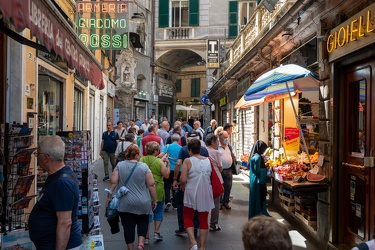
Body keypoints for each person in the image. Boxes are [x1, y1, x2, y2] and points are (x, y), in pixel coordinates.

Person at [29, 135, 82, 249]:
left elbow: (65, 223)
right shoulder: (58, 176)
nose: (37, 158)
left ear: (46, 158)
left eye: (38, 154)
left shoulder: (62, 183)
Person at [106, 145, 157, 250]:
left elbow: (113, 182)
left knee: (128, 226)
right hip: (143, 202)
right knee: (143, 222)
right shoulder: (144, 166)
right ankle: (141, 244)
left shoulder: (120, 165)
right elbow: (151, 185)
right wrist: (155, 200)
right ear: (137, 155)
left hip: (125, 203)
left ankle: (130, 248)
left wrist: (109, 197)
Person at [180, 138, 214, 250]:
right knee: (203, 219)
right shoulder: (209, 160)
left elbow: (183, 178)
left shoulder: (187, 161)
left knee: (187, 216)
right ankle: (202, 246)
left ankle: (193, 242)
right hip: (205, 192)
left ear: (189, 150)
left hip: (191, 191)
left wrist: (181, 185)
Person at [173, 130, 209, 236]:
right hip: (202, 185)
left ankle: (182, 226)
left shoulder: (183, 150)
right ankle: (196, 227)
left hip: (188, 184)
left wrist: (175, 179)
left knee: (181, 205)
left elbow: (178, 164)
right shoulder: (204, 151)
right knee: (197, 207)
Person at [140, 141, 170, 244]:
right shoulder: (159, 162)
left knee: (146, 213)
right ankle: (156, 232)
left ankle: (146, 236)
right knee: (158, 210)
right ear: (156, 151)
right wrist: (168, 165)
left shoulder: (142, 160)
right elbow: (166, 175)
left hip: (144, 189)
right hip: (157, 189)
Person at [158, 133, 182, 211]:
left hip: (168, 168)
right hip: (178, 170)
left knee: (167, 186)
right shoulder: (181, 148)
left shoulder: (167, 146)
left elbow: (161, 155)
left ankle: (167, 201)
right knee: (175, 186)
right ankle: (175, 204)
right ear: (179, 140)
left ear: (171, 139)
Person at [205, 134, 223, 231]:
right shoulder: (216, 153)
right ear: (212, 142)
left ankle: (202, 221)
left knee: (204, 200)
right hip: (216, 179)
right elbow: (220, 167)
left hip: (205, 179)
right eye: (217, 141)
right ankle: (213, 223)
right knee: (216, 202)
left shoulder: (203, 150)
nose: (218, 143)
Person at [248, 140, 269, 219]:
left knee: (254, 199)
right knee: (259, 199)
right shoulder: (258, 157)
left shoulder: (254, 155)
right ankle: (259, 215)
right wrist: (266, 169)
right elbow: (258, 170)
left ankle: (254, 215)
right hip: (258, 181)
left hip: (254, 181)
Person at [218, 131, 234, 210]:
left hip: (228, 169)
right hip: (220, 170)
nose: (226, 139)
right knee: (220, 187)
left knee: (228, 186)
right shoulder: (217, 147)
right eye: (225, 137)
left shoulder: (229, 146)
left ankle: (226, 202)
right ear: (220, 138)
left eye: (227, 137)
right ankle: (220, 202)